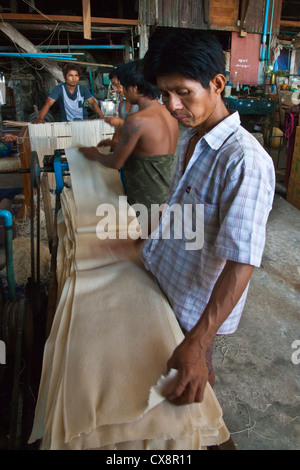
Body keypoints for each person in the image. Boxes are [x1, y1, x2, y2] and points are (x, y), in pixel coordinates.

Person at [141, 29, 276, 409]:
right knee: (166, 372)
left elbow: (242, 259)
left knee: (193, 377)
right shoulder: (193, 136)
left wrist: (199, 341)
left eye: (183, 92)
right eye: (165, 93)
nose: (173, 104)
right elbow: (183, 211)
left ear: (217, 84)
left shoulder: (244, 161)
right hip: (166, 279)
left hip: (196, 305)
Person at [80, 59, 179, 213]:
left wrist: (94, 154)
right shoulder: (170, 114)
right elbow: (149, 149)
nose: (123, 92)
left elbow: (116, 163)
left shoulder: (136, 120)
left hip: (144, 197)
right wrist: (114, 145)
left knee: (142, 235)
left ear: (135, 87)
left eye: (125, 87)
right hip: (164, 192)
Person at [34, 63, 103, 123]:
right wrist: (40, 118)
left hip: (83, 123)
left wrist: (102, 117)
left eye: (76, 75)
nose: (74, 78)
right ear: (64, 77)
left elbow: (93, 103)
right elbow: (48, 103)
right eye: (71, 76)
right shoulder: (59, 89)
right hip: (66, 124)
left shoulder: (83, 89)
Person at [98, 67, 139, 149]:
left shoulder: (141, 104)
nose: (115, 89)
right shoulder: (122, 105)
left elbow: (142, 129)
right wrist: (112, 146)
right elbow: (119, 130)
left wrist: (121, 123)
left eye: (117, 85)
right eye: (113, 86)